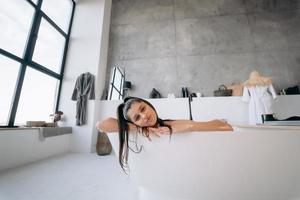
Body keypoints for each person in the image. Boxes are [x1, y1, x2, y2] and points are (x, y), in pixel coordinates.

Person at [96, 97, 233, 172]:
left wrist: (188, 127)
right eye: (137, 118)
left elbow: (226, 128)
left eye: (143, 109)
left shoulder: (169, 124)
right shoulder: (138, 129)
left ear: (148, 104)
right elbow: (101, 125)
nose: (144, 116)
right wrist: (137, 128)